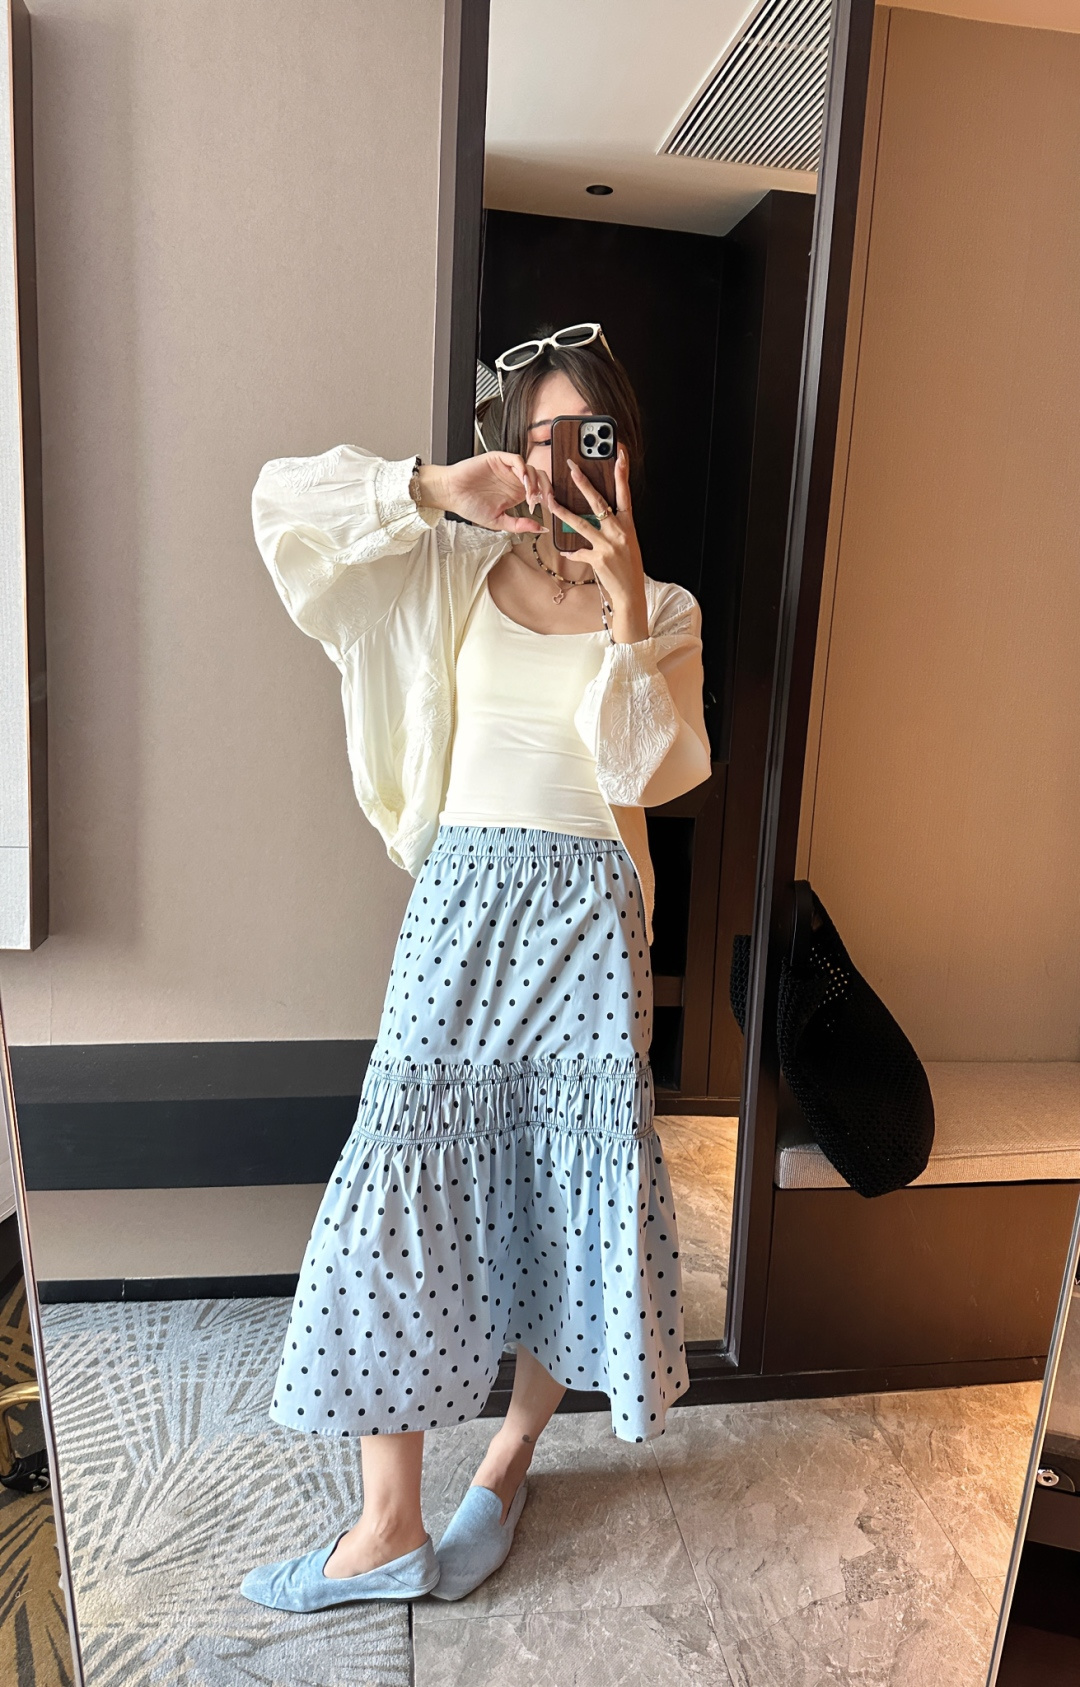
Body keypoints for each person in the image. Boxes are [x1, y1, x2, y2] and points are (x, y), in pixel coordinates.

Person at [241, 324, 711, 1612]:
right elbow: (285, 510)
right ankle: (388, 1525)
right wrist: (434, 488)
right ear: (513, 447)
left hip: (591, 919)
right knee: (397, 1183)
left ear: (624, 453)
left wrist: (625, 613)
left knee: (566, 1188)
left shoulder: (667, 608)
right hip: (461, 901)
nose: (564, 464)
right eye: (541, 437)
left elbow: (645, 774)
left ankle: (505, 1464)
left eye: (590, 437)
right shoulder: (447, 568)